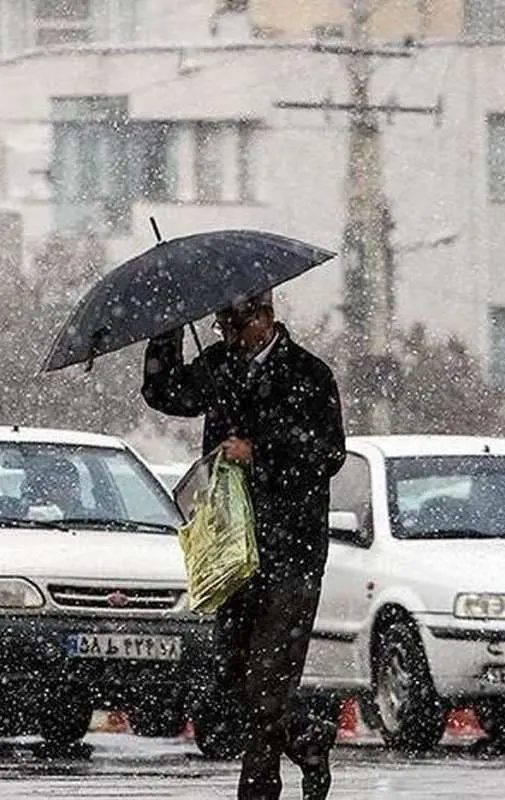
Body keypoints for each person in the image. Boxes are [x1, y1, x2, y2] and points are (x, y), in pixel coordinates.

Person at [141, 289, 347, 800]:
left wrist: (262, 452)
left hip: (292, 550)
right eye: (220, 328)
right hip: (234, 547)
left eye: (234, 326)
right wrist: (169, 326)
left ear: (265, 317)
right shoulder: (222, 366)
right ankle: (305, 735)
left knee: (270, 675)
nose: (228, 336)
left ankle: (258, 787)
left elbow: (329, 453)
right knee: (234, 671)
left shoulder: (309, 374)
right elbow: (166, 393)